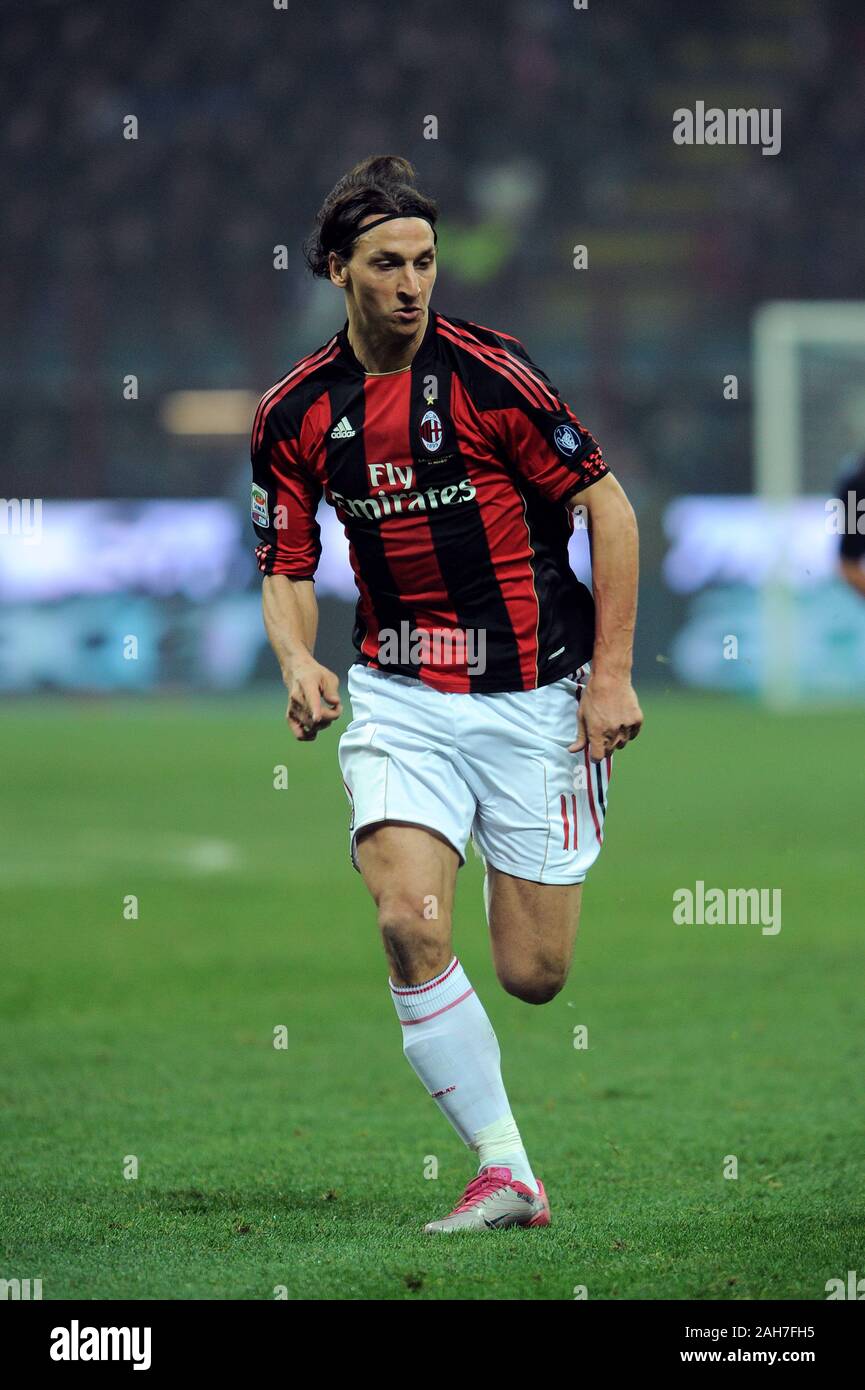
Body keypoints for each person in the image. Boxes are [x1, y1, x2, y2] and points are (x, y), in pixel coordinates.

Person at [251, 155, 643, 1232]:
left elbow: (609, 510)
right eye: (386, 263)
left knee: (532, 974)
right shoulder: (294, 413)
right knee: (406, 919)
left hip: (535, 694)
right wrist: (297, 658)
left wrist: (608, 677)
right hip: (400, 691)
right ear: (337, 270)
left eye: (425, 260)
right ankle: (505, 1168)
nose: (412, 283)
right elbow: (284, 562)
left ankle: (503, 854)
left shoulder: (491, 374)